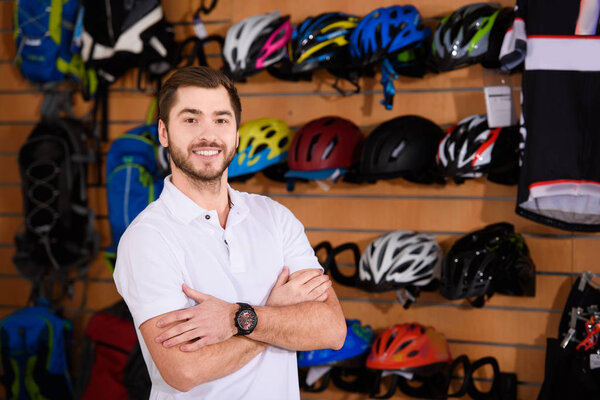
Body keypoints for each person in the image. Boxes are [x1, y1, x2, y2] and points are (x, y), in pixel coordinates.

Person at [113, 66, 347, 400]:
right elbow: (184, 370)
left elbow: (331, 329)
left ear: (236, 133)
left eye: (221, 120)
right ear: (164, 133)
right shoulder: (148, 239)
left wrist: (238, 318)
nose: (208, 135)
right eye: (191, 119)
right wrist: (270, 314)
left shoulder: (276, 218)